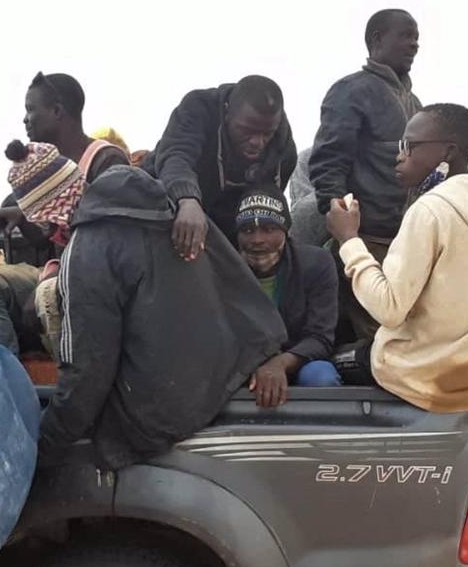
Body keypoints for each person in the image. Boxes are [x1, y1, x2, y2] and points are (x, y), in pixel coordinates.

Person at [39, 166, 287, 469]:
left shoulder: (88, 247)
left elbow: (88, 366)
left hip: (154, 422)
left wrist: (46, 446)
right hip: (222, 383)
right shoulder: (181, 217)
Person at [325, 103, 468, 412]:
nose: (400, 155)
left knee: (329, 363)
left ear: (448, 152)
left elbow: (388, 309)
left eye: (410, 146)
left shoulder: (430, 210)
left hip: (417, 378)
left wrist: (349, 240)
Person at [0, 72, 129, 355]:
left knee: (49, 296)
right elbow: (46, 238)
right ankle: (5, 371)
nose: (25, 119)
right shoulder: (48, 167)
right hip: (58, 270)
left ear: (57, 111)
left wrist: (55, 278)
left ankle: (72, 370)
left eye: (31, 110)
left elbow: (108, 242)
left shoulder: (106, 160)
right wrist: (24, 215)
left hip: (96, 279)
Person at [309, 9, 423, 342]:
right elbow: (328, 162)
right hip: (366, 240)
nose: (414, 44)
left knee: (406, 333)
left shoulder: (415, 103)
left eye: (417, 38)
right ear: (376, 39)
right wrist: (345, 229)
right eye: (406, 35)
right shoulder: (351, 91)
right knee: (380, 339)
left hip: (406, 242)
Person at [141, 75, 297, 259]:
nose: (257, 142)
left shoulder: (284, 149)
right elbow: (176, 156)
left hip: (227, 225)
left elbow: (266, 203)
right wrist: (187, 198)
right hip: (167, 207)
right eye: (246, 130)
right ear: (227, 113)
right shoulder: (198, 107)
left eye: (267, 134)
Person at [235, 186, 341, 408]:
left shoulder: (317, 264)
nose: (257, 239)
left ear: (285, 230)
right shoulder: (225, 270)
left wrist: (279, 364)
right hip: (242, 364)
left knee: (321, 377)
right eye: (247, 230)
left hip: (300, 360)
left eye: (269, 229)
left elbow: (320, 338)